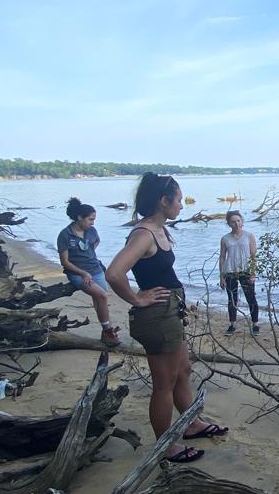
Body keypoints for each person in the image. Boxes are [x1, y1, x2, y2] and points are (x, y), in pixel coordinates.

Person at [106, 173, 227, 463]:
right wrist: (138, 298)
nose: (182, 206)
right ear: (163, 201)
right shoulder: (144, 234)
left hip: (170, 311)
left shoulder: (159, 230)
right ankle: (165, 445)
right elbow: (113, 273)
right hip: (157, 316)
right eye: (179, 200)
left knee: (182, 371)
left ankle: (191, 424)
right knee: (164, 383)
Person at [58, 197, 122, 347]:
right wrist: (83, 273)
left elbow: (95, 243)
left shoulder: (91, 231)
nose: (93, 223)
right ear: (80, 218)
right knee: (102, 295)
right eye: (90, 219)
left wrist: (90, 258)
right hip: (77, 274)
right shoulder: (65, 235)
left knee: (101, 300)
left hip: (96, 269)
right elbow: (64, 261)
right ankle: (108, 331)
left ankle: (107, 332)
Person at [219, 210, 259, 336]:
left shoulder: (249, 236)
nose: (236, 224)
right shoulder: (225, 238)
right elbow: (222, 257)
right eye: (233, 222)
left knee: (251, 298)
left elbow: (253, 256)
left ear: (242, 221)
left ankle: (255, 324)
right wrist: (221, 276)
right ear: (229, 224)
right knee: (232, 300)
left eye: (238, 221)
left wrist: (253, 273)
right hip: (230, 271)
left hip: (245, 271)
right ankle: (232, 325)